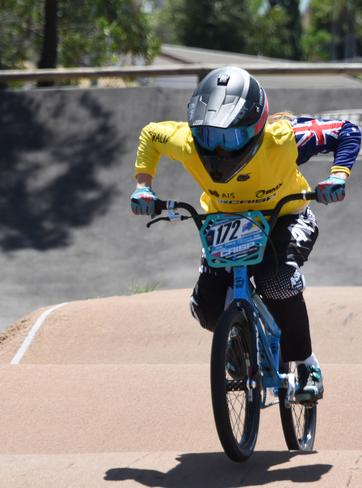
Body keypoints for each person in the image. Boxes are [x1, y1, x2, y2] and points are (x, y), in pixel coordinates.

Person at [130, 66, 360, 403]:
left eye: (231, 138)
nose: (219, 151)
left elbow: (347, 130)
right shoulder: (186, 142)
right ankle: (239, 341)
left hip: (286, 217)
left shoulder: (283, 138)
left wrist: (338, 176)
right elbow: (151, 134)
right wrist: (143, 187)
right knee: (206, 307)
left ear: (256, 129)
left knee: (276, 280)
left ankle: (307, 364)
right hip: (225, 224)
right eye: (209, 137)